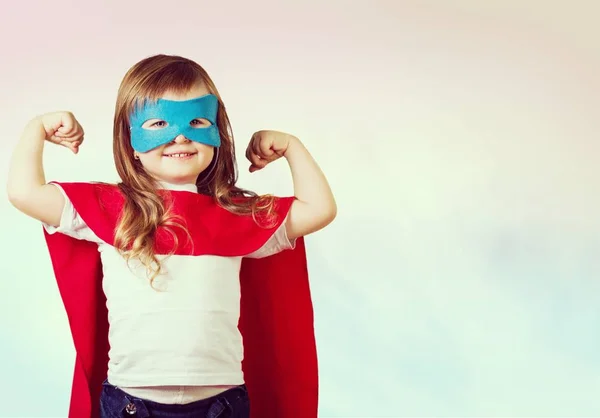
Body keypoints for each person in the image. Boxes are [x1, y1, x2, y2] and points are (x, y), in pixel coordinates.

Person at [7, 54, 336, 418]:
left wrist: (292, 147)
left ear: (217, 132)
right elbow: (25, 193)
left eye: (196, 120)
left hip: (221, 403)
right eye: (160, 122)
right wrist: (36, 129)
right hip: (132, 402)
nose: (180, 134)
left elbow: (319, 209)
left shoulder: (236, 215)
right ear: (131, 140)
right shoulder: (110, 209)